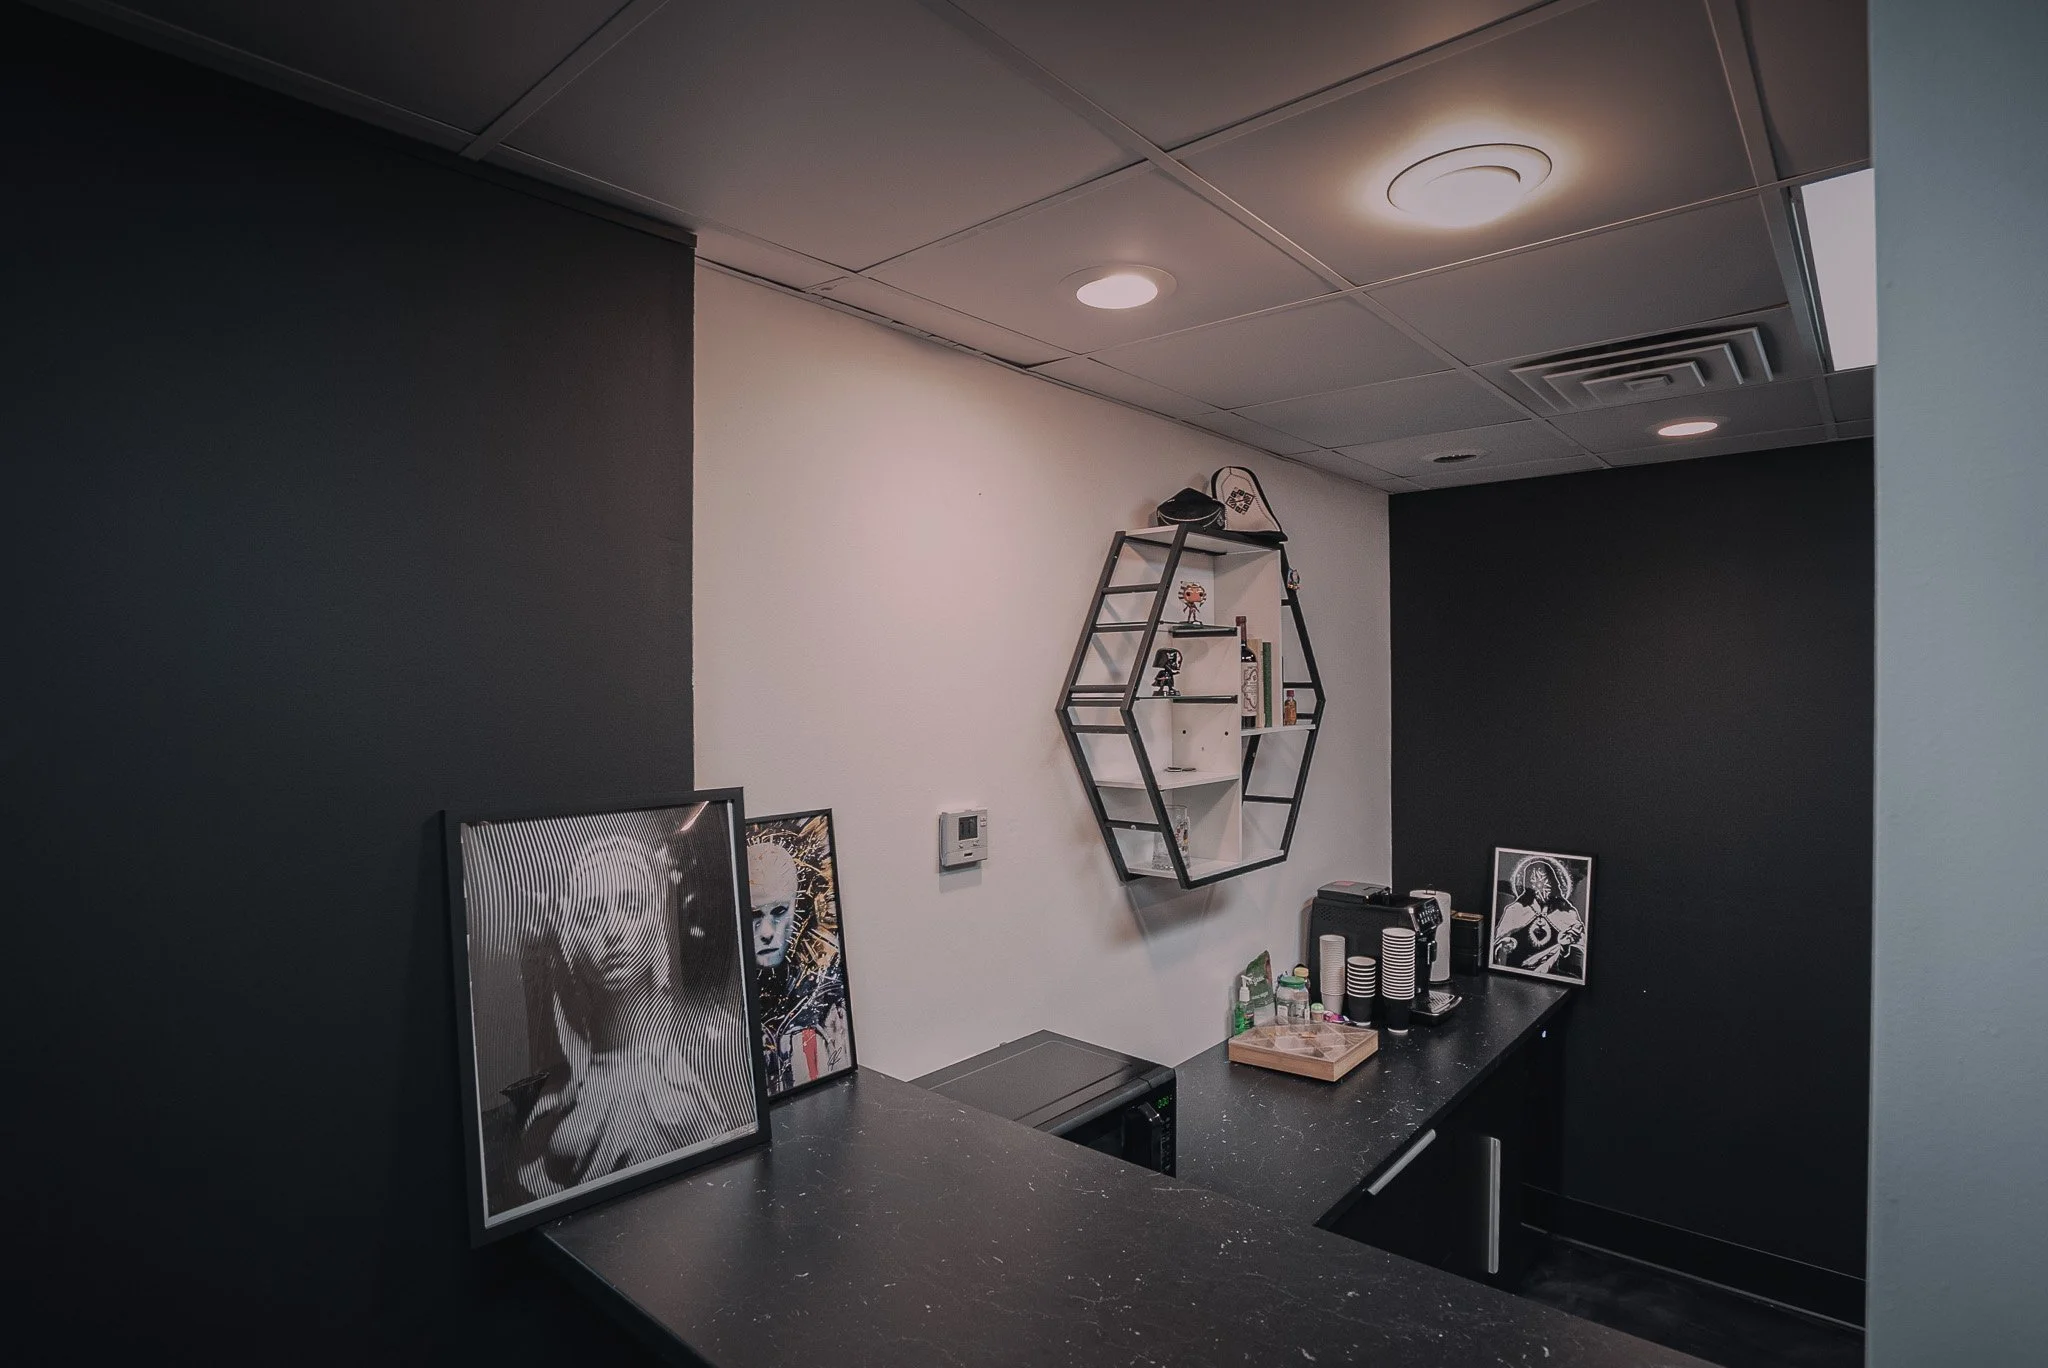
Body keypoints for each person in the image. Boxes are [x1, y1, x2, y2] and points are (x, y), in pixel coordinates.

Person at [515, 834, 750, 1199]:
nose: (613, 930)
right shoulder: (562, 1095)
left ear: (655, 920)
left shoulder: (700, 1064)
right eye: (592, 914)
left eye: (631, 905)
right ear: (572, 937)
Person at [1492, 855, 1585, 979]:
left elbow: (1579, 957)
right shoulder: (1515, 910)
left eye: (1547, 880)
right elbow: (1497, 946)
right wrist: (1503, 945)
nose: (1541, 886)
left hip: (1553, 979)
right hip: (1514, 978)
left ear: (1556, 883)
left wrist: (1564, 946)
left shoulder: (1567, 913)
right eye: (1535, 880)